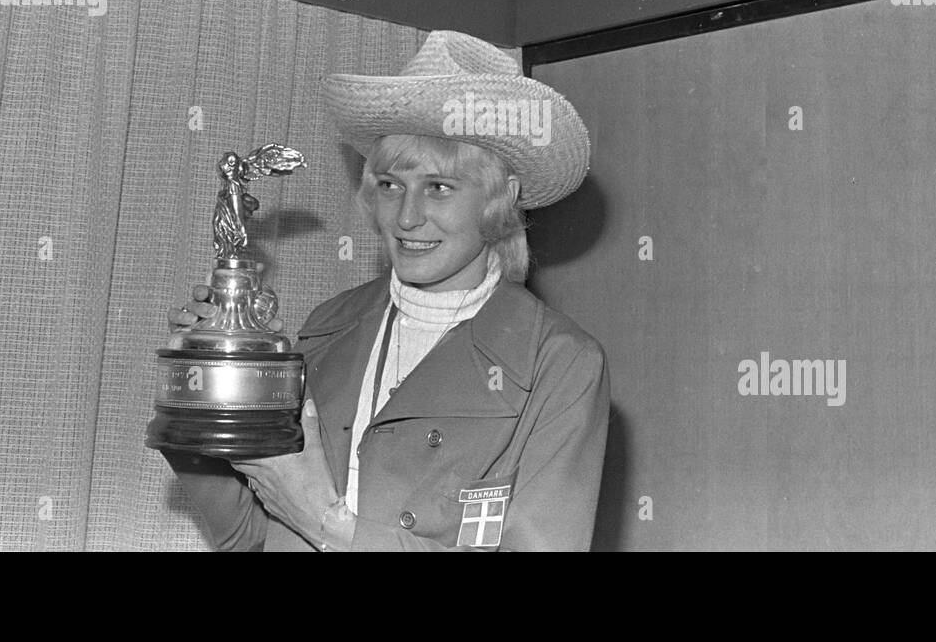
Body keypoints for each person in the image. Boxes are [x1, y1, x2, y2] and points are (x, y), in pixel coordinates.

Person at [163, 30, 609, 551]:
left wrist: (329, 526)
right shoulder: (326, 328)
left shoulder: (558, 364)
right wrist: (200, 395)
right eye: (390, 185)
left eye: (439, 187)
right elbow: (248, 538)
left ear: (502, 199)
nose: (407, 216)